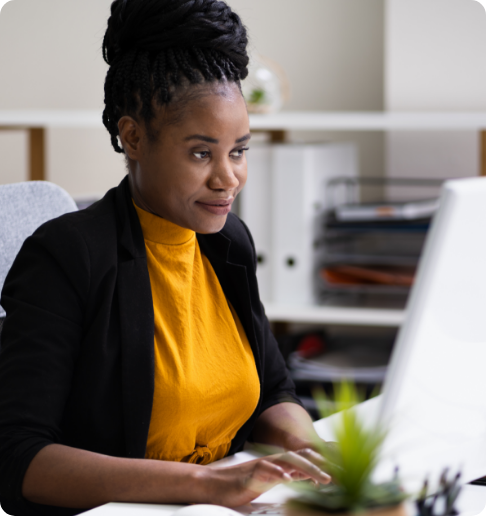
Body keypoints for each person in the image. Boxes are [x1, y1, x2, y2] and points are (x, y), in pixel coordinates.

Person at [0, 1, 333, 515]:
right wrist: (205, 486)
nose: (228, 178)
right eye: (201, 153)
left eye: (238, 150)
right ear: (133, 137)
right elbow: (18, 458)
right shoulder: (67, 256)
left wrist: (314, 454)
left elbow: (272, 390)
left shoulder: (228, 243)